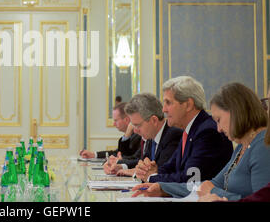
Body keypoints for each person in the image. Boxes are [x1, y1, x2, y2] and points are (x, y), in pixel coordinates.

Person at [132, 82, 270, 201]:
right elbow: (211, 184)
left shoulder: (263, 146)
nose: (219, 129)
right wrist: (162, 188)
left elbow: (261, 199)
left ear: (236, 112)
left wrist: (215, 193)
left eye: (219, 120)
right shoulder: (242, 145)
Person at [135, 76, 233, 183]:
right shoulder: (190, 130)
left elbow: (191, 177)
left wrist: (151, 177)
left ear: (188, 105)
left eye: (168, 103)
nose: (163, 109)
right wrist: (150, 171)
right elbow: (171, 166)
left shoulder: (208, 132)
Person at [104, 93, 182, 176]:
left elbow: (159, 171)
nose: (135, 131)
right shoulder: (151, 136)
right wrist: (121, 167)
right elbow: (141, 163)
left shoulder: (173, 135)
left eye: (138, 125)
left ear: (154, 121)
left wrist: (134, 172)